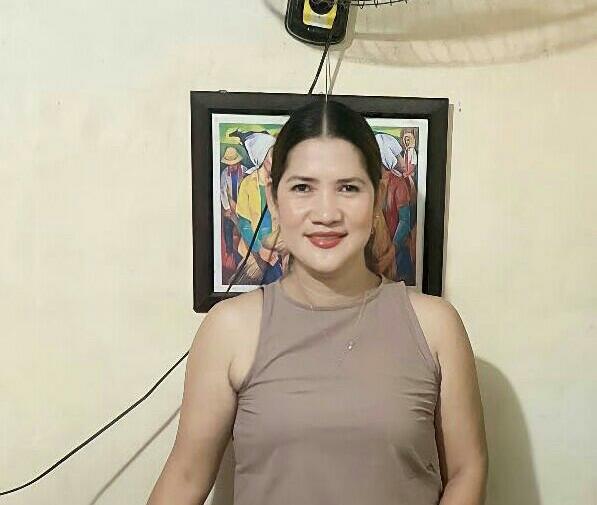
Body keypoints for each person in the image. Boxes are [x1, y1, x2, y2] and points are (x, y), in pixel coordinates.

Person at [146, 100, 488, 505]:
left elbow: (467, 471)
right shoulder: (230, 329)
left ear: (378, 198)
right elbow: (185, 478)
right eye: (303, 188)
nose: (326, 213)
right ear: (274, 200)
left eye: (348, 188)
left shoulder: (435, 326)